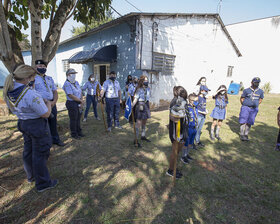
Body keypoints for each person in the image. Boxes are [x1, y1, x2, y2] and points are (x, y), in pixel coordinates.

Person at [3, 64, 58, 192]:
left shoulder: (9, 90)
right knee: (40, 153)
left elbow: (14, 109)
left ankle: (31, 176)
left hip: (23, 122)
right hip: (36, 125)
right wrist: (49, 103)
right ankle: (43, 183)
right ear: (28, 78)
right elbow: (45, 113)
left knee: (28, 150)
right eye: (33, 76)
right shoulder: (29, 93)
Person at [34, 59, 65, 147]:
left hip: (52, 104)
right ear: (35, 67)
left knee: (53, 122)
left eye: (43, 66)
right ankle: (46, 142)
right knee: (44, 123)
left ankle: (55, 139)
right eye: (40, 66)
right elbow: (33, 93)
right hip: (41, 104)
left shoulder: (49, 78)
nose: (42, 68)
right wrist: (46, 102)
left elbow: (55, 91)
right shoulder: (33, 79)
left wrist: (54, 102)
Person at [166, 86, 188, 179]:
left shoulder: (182, 101)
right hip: (176, 131)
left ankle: (174, 167)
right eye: (184, 93)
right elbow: (173, 118)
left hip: (182, 129)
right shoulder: (175, 102)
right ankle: (171, 170)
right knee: (175, 152)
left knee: (177, 151)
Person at [62, 68, 85, 139]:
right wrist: (80, 101)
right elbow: (70, 95)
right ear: (68, 75)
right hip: (72, 103)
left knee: (78, 118)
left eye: (75, 73)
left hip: (78, 101)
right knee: (73, 119)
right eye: (73, 74)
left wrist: (81, 100)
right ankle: (74, 134)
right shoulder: (66, 84)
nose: (74, 75)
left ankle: (79, 132)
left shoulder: (76, 82)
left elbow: (80, 91)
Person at [132, 75, 151, 146]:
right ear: (142, 81)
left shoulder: (148, 89)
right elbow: (136, 99)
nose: (147, 82)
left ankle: (143, 136)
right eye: (145, 80)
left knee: (144, 122)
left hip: (146, 104)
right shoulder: (138, 89)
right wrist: (132, 105)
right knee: (138, 123)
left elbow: (148, 97)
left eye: (147, 80)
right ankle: (135, 140)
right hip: (140, 105)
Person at [181, 93, 198, 164]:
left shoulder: (195, 108)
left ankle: (187, 154)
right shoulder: (187, 108)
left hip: (194, 128)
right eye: (195, 100)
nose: (197, 102)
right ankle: (183, 156)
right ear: (191, 100)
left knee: (190, 143)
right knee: (186, 143)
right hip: (189, 128)